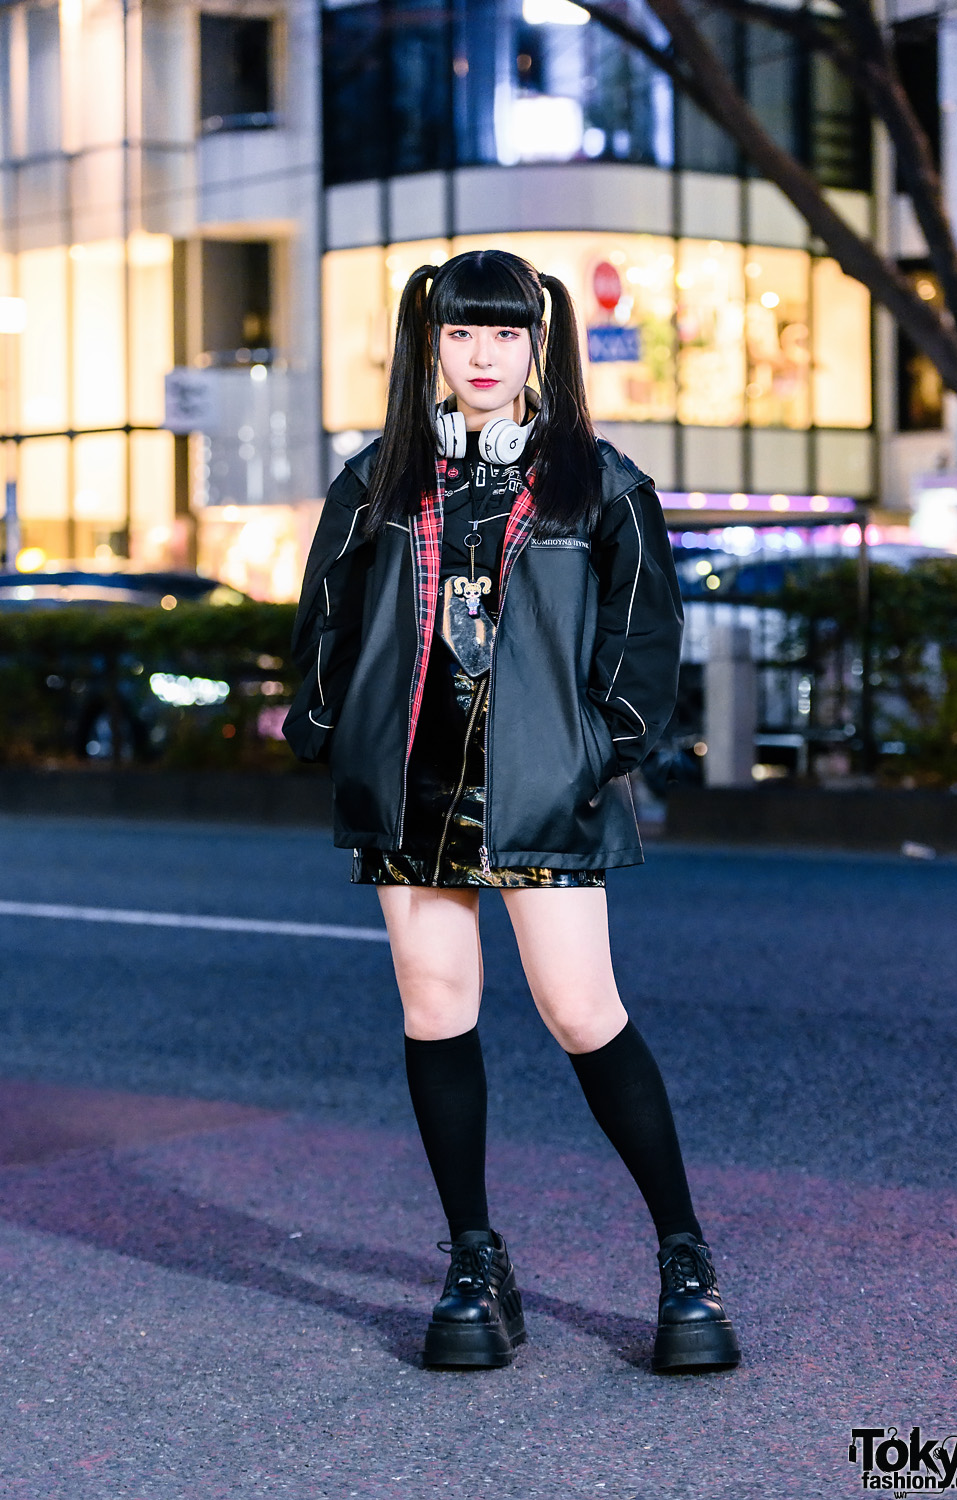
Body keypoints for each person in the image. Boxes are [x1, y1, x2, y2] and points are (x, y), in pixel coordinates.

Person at [283, 249, 740, 1375]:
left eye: (503, 334)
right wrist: (333, 732)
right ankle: (476, 1262)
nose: (481, 356)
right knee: (436, 1006)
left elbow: (642, 652)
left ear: (540, 348)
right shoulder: (376, 481)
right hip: (413, 784)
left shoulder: (601, 484)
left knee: (581, 1009)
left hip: (546, 785)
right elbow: (323, 632)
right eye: (459, 333)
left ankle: (685, 1259)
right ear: (428, 345)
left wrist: (596, 748)